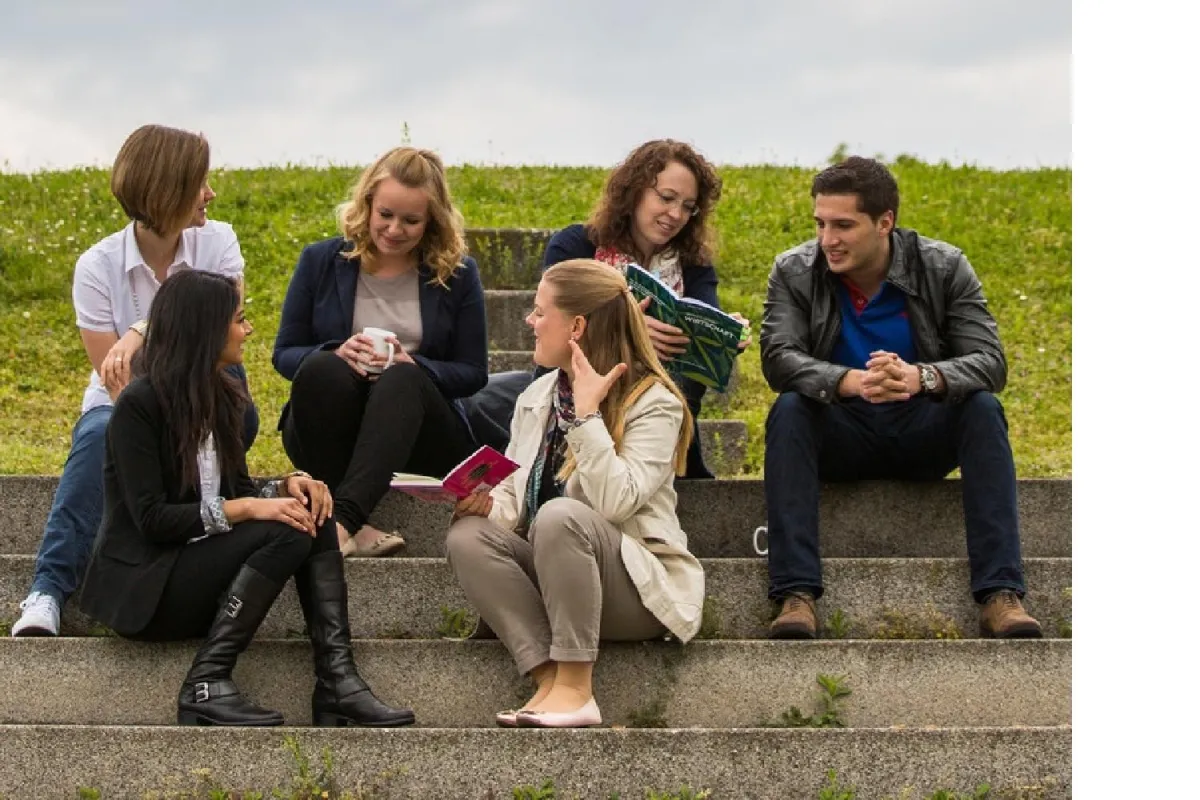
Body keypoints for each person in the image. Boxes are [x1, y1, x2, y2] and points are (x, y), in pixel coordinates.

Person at [78, 270, 414, 727]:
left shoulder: (221, 397)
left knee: (308, 513)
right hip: (147, 588)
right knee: (285, 531)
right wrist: (255, 507)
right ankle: (206, 680)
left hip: (200, 571)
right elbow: (153, 520)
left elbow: (232, 491)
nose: (248, 329)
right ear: (206, 328)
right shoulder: (140, 405)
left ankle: (338, 681)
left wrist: (284, 486)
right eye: (239, 319)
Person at [759, 156, 1042, 640]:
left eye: (844, 225)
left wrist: (920, 378)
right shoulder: (794, 270)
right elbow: (778, 358)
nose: (829, 239)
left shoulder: (944, 266)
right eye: (821, 224)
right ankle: (795, 595)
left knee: (982, 408)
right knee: (789, 410)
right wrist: (849, 381)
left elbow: (990, 362)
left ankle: (1000, 594)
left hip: (921, 431)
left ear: (885, 222)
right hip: (841, 430)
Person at [10, 124, 259, 637]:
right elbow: (119, 380)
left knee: (239, 404)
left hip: (207, 393)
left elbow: (218, 336)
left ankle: (190, 528)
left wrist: (143, 329)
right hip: (131, 402)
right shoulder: (98, 266)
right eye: (200, 183)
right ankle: (47, 591)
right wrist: (143, 362)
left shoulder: (219, 241)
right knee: (102, 433)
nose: (210, 194)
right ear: (167, 190)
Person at [445, 259, 705, 729]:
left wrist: (586, 420)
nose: (530, 321)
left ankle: (578, 687)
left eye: (541, 311)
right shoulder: (539, 395)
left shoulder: (654, 402)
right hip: (559, 580)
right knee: (468, 535)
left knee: (562, 516)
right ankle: (549, 680)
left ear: (577, 326)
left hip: (636, 592)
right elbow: (517, 501)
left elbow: (616, 503)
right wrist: (486, 508)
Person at [466, 139, 748, 479]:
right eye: (666, 197)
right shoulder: (577, 244)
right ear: (635, 191)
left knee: (679, 374)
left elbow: (704, 316)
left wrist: (726, 332)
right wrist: (632, 327)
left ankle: (666, 469)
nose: (676, 214)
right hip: (584, 372)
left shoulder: (694, 264)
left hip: (658, 388)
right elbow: (557, 318)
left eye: (688, 206)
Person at [272, 146, 487, 557]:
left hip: (420, 430)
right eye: (385, 214)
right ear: (367, 204)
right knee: (320, 366)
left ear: (432, 221)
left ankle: (343, 522)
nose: (394, 229)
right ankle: (356, 523)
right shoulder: (320, 260)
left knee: (403, 377)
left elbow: (473, 371)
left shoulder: (458, 273)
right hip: (332, 424)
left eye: (411, 220)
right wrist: (338, 351)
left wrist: (417, 364)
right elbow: (284, 353)